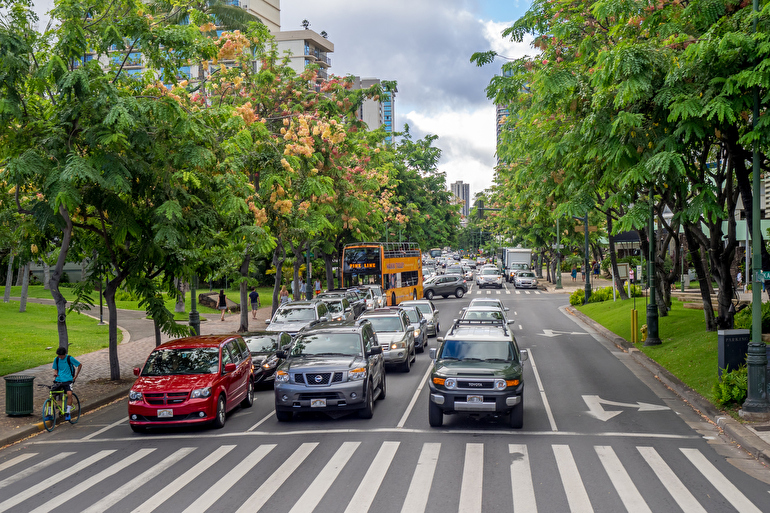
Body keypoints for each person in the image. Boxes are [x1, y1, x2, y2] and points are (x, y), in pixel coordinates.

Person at [52, 347, 82, 421]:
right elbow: (55, 369)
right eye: (59, 355)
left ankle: (68, 412)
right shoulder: (56, 359)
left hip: (68, 380)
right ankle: (49, 413)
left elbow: (79, 365)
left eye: (61, 355)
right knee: (52, 395)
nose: (60, 357)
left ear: (64, 354)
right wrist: (55, 373)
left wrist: (75, 376)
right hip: (58, 380)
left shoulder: (69, 358)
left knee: (69, 394)